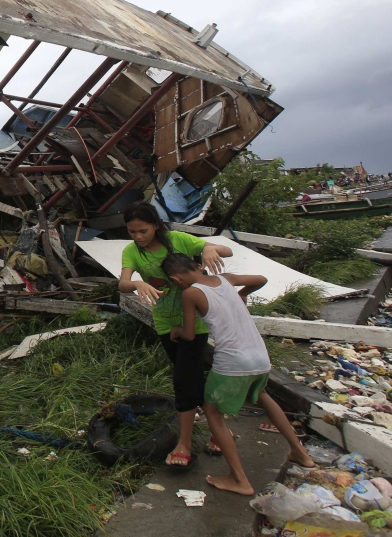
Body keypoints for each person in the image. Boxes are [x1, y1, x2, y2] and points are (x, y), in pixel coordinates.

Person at [163, 253, 316, 494]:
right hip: (259, 356)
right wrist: (243, 294)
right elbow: (261, 279)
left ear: (175, 278)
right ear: (197, 266)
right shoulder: (226, 279)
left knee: (212, 412)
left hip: (233, 361)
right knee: (264, 396)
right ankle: (301, 453)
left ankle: (239, 480)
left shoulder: (190, 293)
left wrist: (176, 331)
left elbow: (190, 335)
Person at [117, 203, 232, 468]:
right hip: (165, 322)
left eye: (143, 230)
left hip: (197, 321)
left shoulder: (178, 240)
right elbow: (123, 283)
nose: (138, 236)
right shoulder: (131, 251)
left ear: (156, 225)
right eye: (132, 231)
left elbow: (226, 250)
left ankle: (185, 445)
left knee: (183, 379)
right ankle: (220, 431)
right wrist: (137, 282)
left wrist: (210, 248)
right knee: (190, 376)